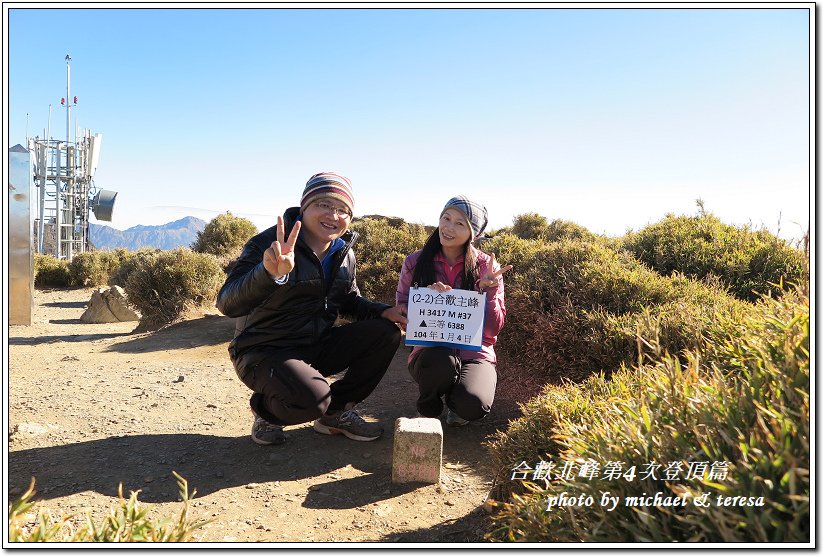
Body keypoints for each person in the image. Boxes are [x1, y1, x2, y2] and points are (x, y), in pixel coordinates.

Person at [217, 172, 408, 446]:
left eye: (343, 210)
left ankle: (335, 413)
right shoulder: (268, 244)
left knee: (385, 332)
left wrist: (383, 311)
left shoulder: (344, 252)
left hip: (315, 345)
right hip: (264, 351)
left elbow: (349, 300)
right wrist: (268, 274)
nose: (334, 215)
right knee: (312, 399)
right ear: (305, 207)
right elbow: (227, 302)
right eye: (324, 205)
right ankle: (266, 411)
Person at [395, 196, 511, 425]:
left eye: (460, 223)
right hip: (431, 351)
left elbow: (493, 328)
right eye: (446, 218)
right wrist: (426, 302)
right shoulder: (415, 262)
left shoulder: (486, 267)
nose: (448, 227)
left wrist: (488, 292)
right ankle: (429, 407)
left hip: (475, 353)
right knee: (440, 360)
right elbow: (402, 312)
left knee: (473, 403)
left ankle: (457, 404)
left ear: (473, 233)